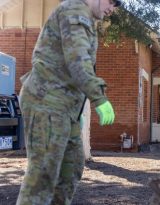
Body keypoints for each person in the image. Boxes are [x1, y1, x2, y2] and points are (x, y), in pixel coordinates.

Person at [16, 0, 122, 204]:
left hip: (66, 109)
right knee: (42, 176)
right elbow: (78, 60)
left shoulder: (87, 19)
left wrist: (78, 112)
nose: (113, 8)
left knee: (71, 168)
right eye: (112, 1)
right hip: (46, 101)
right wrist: (99, 97)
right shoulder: (74, 11)